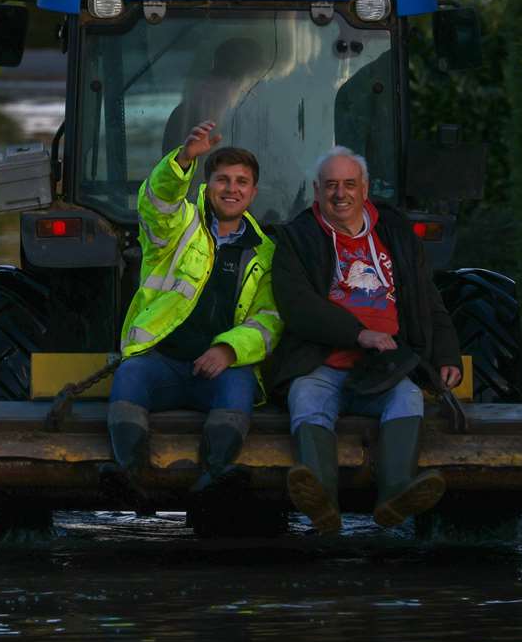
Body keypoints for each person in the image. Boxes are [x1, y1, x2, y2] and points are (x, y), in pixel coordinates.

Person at [265, 146, 463, 534]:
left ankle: (395, 494)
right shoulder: (296, 237)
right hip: (320, 362)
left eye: (350, 184)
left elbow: (428, 298)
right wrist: (358, 334)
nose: (341, 194)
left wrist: (447, 354)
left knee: (407, 397)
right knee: (305, 396)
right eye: (332, 186)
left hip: (385, 367)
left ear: (366, 188)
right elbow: (297, 305)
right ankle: (321, 499)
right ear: (316, 190)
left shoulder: (396, 233)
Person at [101, 120, 283, 508]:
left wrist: (229, 350)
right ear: (208, 183)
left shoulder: (266, 254)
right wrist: (182, 159)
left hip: (216, 370)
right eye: (222, 179)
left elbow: (267, 320)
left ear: (253, 191)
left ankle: (215, 474)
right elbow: (157, 202)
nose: (231, 189)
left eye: (241, 182)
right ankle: (130, 473)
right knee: (130, 374)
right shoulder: (179, 225)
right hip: (162, 361)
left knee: (241, 385)